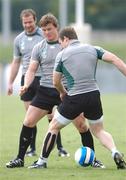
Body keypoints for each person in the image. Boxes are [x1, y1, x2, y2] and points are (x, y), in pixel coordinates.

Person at [6, 13, 104, 168]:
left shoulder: (66, 45)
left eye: (49, 29)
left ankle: (93, 159)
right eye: (44, 30)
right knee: (28, 121)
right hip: (45, 90)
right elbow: (31, 69)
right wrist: (26, 84)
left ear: (56, 28)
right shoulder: (39, 47)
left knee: (82, 126)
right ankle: (19, 158)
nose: (46, 33)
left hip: (66, 92)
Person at [27, 26, 126, 169]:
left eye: (60, 43)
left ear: (65, 39)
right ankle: (114, 151)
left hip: (74, 97)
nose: (60, 45)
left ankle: (42, 161)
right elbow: (115, 60)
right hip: (94, 95)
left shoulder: (62, 55)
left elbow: (55, 81)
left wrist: (62, 92)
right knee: (98, 130)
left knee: (53, 127)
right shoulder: (94, 48)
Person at [7, 9, 69, 157]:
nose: (28, 25)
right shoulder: (18, 40)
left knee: (52, 117)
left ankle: (59, 147)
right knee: (30, 116)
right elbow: (16, 62)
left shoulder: (45, 34)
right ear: (22, 22)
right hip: (27, 78)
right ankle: (32, 149)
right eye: (25, 22)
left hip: (45, 79)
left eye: (30, 21)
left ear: (35, 21)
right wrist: (10, 82)